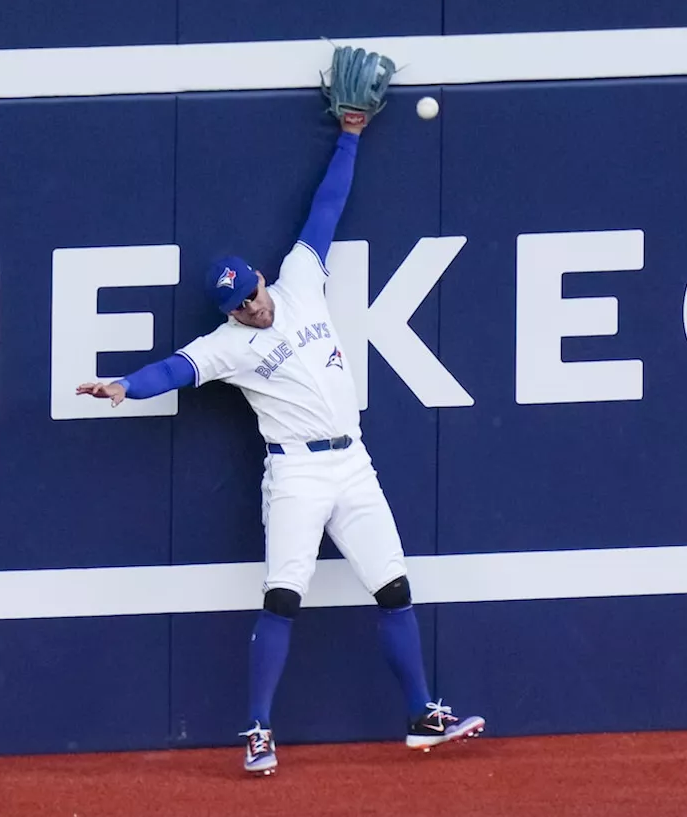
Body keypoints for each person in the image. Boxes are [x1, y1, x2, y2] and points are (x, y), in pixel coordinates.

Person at [76, 108, 484, 775]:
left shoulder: (298, 279)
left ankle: (419, 714)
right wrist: (127, 385)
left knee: (394, 588)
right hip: (295, 474)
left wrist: (350, 135)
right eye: (241, 305)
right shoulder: (228, 346)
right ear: (229, 311)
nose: (254, 307)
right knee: (283, 596)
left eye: (253, 294)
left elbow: (327, 206)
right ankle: (259, 730)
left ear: (260, 278)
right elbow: (176, 368)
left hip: (352, 462)